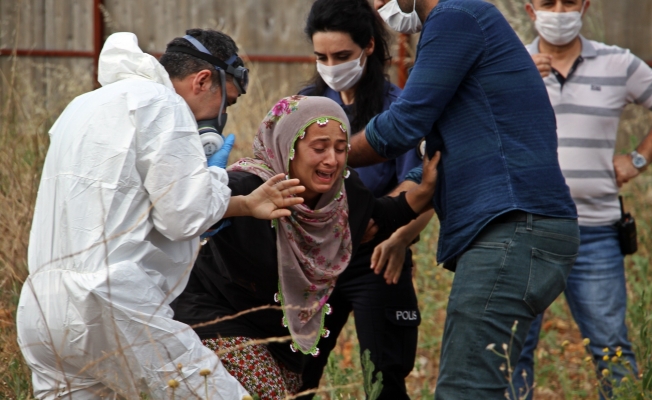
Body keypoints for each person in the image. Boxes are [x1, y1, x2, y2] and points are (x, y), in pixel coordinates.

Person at [15, 30, 305, 399]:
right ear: (203, 80)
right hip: (112, 305)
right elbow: (182, 215)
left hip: (41, 309)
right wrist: (216, 177)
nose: (221, 119)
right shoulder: (164, 105)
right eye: (226, 104)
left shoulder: (83, 106)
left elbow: (134, 205)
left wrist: (244, 204)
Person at [347, 0, 581, 398]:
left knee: (464, 390)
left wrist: (324, 153)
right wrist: (386, 217)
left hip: (512, 228)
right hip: (521, 229)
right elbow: (432, 167)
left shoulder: (457, 16)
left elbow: (402, 124)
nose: (373, 4)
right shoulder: (464, 23)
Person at [171, 95, 439, 400]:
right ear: (289, 146)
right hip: (213, 321)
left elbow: (379, 218)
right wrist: (229, 201)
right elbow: (185, 219)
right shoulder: (247, 186)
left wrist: (427, 189)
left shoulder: (343, 196)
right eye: (319, 148)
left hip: (280, 340)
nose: (332, 160)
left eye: (340, 149)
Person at [510, 0, 652, 398]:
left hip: (595, 232)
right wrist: (516, 81)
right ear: (530, 9)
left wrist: (637, 159)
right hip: (524, 232)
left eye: (568, 1)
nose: (559, 11)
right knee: (512, 349)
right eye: (547, 3)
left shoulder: (618, 63)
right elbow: (472, 124)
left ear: (585, 6)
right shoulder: (507, 62)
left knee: (612, 348)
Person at [296, 1, 433, 398]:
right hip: (315, 262)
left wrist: (399, 238)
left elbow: (422, 184)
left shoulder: (398, 109)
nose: (331, 65)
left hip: (377, 257)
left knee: (383, 379)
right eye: (321, 56)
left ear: (369, 47)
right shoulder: (303, 107)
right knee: (295, 374)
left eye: (342, 56)